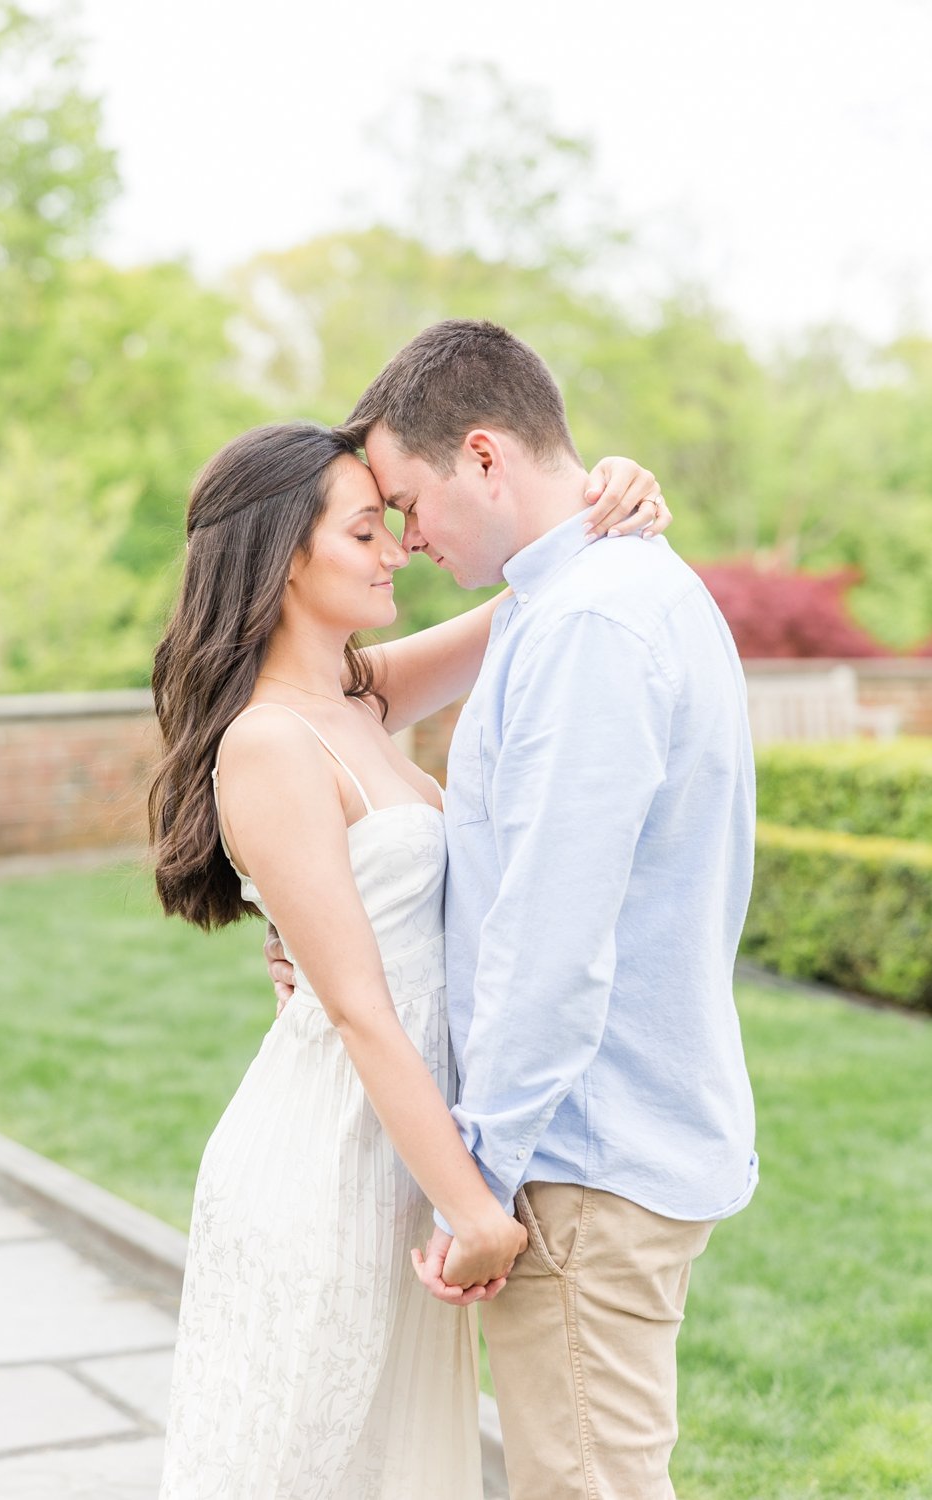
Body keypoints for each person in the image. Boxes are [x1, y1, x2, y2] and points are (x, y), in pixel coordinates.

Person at [271, 319, 759, 1499]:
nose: (406, 538)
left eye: (408, 502)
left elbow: (553, 944)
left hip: (578, 1160)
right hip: (605, 1142)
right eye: (372, 522)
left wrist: (478, 1181)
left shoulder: (588, 620)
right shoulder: (581, 592)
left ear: (484, 455)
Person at [149, 418, 669, 1499]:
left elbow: (529, 594)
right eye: (365, 530)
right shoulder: (267, 741)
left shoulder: (359, 696)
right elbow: (359, 1009)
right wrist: (473, 1208)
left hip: (397, 1152)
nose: (396, 551)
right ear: (286, 552)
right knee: (313, 1460)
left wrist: (604, 497)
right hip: (329, 1157)